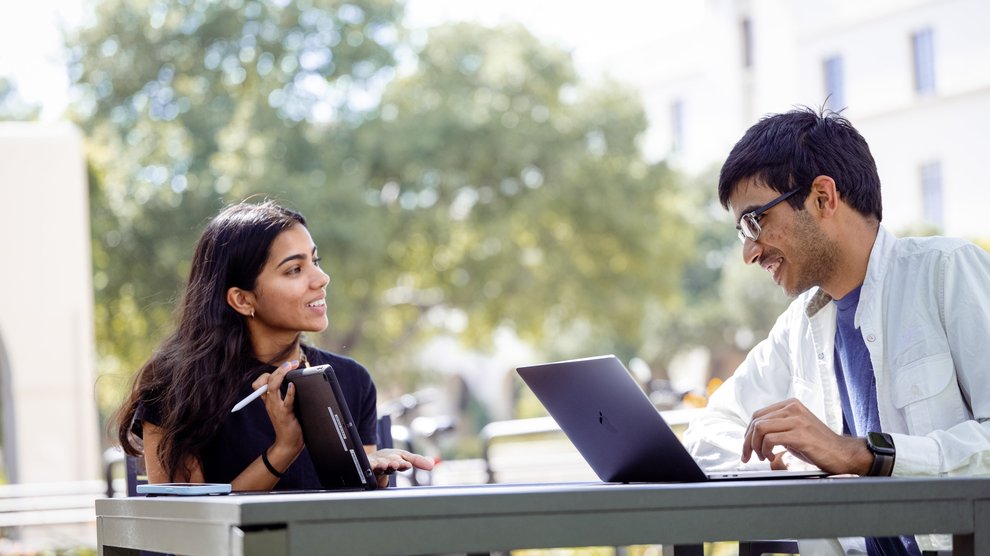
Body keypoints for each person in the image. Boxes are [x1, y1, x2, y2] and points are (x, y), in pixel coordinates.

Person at [683, 107, 990, 555]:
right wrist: (782, 462)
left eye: (755, 221)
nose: (749, 252)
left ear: (823, 197)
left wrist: (862, 455)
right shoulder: (797, 328)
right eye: (740, 232)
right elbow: (708, 430)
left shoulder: (947, 273)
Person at [113, 200, 433, 490]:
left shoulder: (352, 379)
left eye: (315, 260)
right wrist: (283, 451)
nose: (321, 278)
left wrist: (375, 474)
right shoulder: (176, 389)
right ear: (242, 299)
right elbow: (187, 528)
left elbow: (354, 513)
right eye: (295, 269)